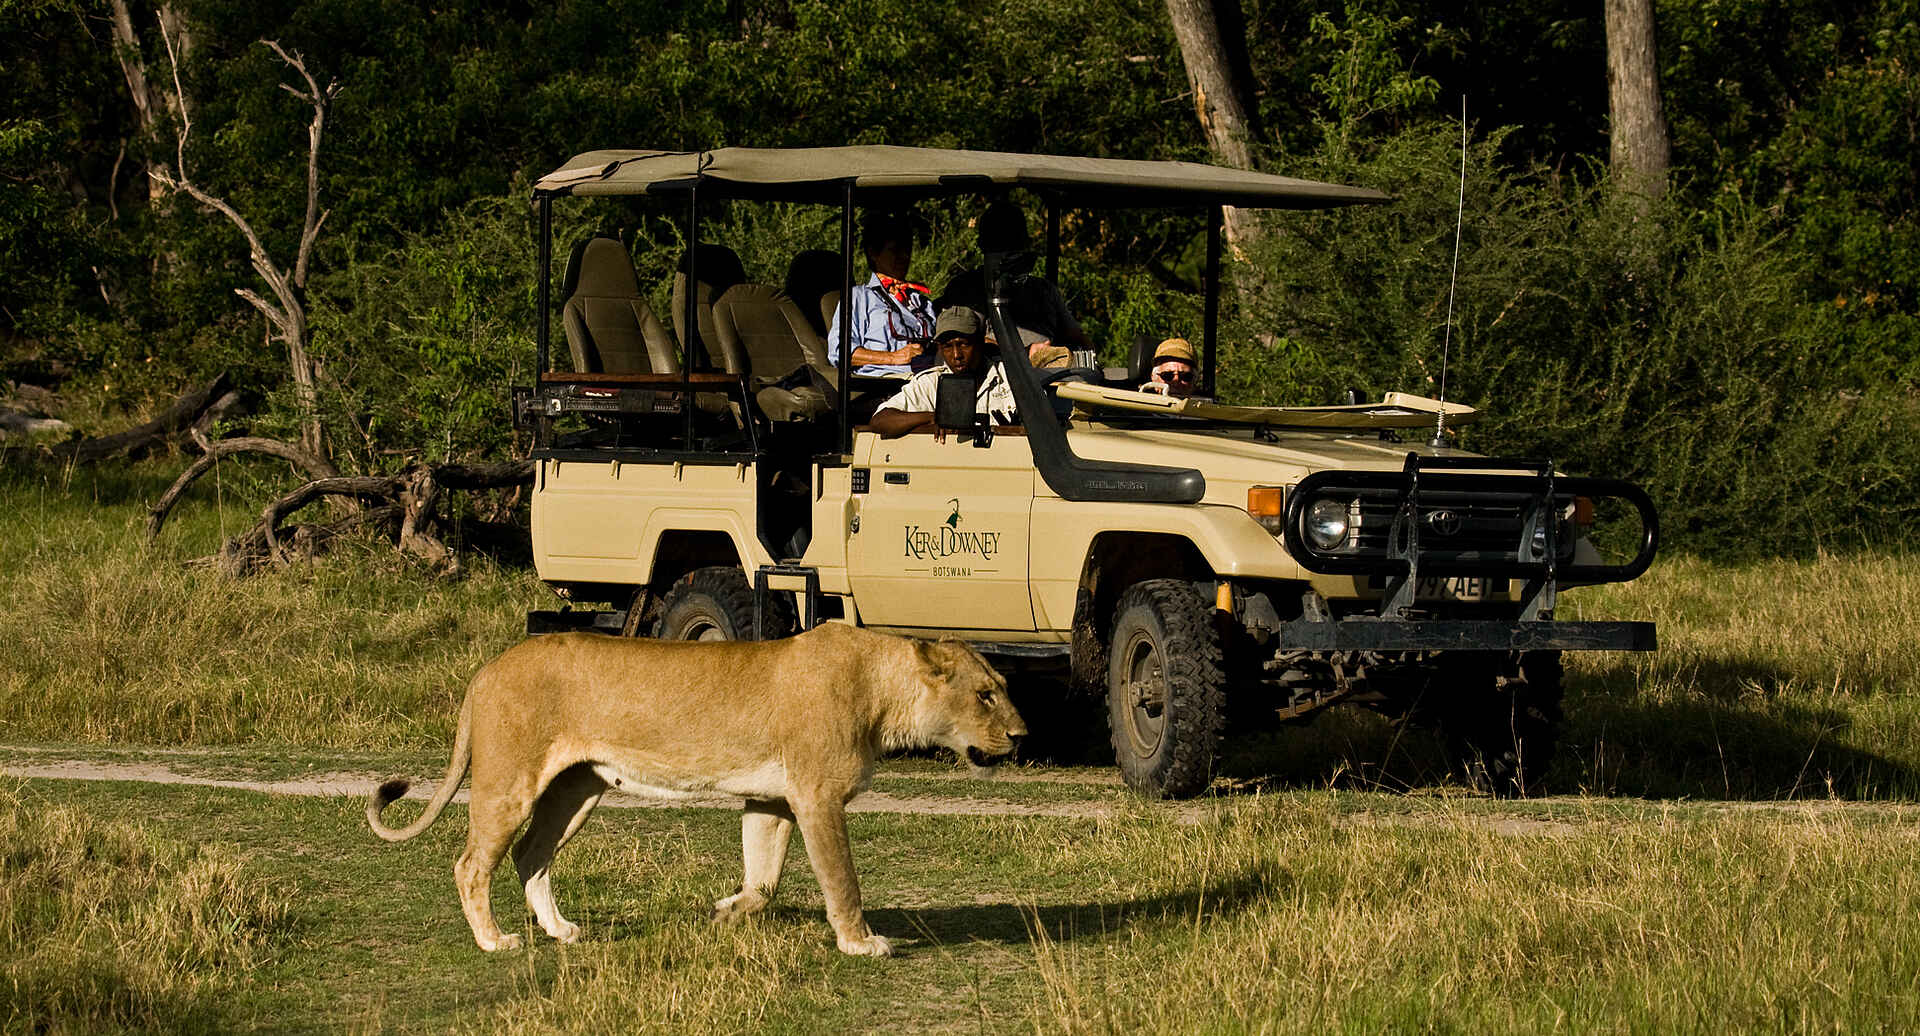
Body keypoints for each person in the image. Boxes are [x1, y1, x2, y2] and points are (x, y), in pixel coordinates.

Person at [936, 200, 1094, 363]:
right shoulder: (966, 290)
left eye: (1015, 241)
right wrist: (1023, 353)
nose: (1010, 251)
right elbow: (961, 343)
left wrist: (1087, 360)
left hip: (1053, 374)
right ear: (984, 246)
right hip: (996, 377)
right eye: (1001, 243)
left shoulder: (1043, 289)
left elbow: (1077, 336)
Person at [869, 307, 1018, 438]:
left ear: (980, 342)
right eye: (947, 346)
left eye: (963, 344)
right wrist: (934, 418)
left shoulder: (1010, 376)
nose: (956, 355)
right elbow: (880, 421)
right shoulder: (931, 382)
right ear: (939, 348)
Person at [828, 209, 937, 378]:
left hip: (930, 373)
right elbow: (840, 353)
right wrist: (894, 357)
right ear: (873, 254)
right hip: (887, 382)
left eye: (907, 250)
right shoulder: (858, 298)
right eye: (895, 250)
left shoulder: (920, 300)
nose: (904, 257)